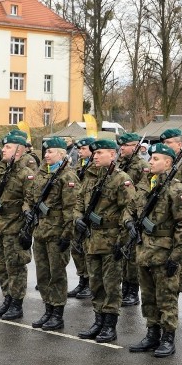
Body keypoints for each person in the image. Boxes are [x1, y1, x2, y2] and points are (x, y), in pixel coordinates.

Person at [128, 143, 182, 357]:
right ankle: (152, 333)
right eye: (151, 158)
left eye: (156, 159)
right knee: (148, 296)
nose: (151, 161)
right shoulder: (145, 185)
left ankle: (168, 337)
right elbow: (130, 208)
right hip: (144, 250)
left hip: (164, 252)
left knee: (166, 297)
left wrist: (176, 256)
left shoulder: (176, 189)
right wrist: (129, 222)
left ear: (168, 162)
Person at [75, 139, 136, 344]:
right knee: (96, 283)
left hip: (111, 241)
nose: (95, 156)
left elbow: (130, 209)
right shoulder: (90, 177)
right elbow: (78, 201)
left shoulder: (121, 179)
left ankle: (110, 325)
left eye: (100, 153)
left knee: (111, 285)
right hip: (92, 239)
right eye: (94, 153)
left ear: (113, 154)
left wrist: (123, 242)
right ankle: (98, 320)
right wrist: (77, 218)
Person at [28, 137, 79, 331]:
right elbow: (31, 197)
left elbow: (71, 209)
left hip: (57, 233)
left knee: (56, 274)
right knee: (43, 273)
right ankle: (48, 309)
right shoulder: (42, 173)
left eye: (50, 152)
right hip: (40, 231)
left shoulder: (68, 176)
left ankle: (57, 314)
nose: (46, 155)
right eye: (45, 152)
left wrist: (67, 235)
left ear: (61, 154)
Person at [0, 134, 35, 320]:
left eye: (8, 147)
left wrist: (26, 224)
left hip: (15, 226)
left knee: (16, 266)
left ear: (19, 151)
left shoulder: (26, 173)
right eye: (3, 147)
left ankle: (17, 303)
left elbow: (30, 199)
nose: (3, 150)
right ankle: (7, 298)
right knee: (1, 265)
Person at [117, 132, 151, 307]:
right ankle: (124, 288)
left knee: (131, 255)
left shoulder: (143, 166)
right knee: (122, 252)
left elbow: (142, 192)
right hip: (119, 214)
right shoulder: (119, 164)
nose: (121, 148)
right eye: (120, 145)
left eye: (125, 145)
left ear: (135, 146)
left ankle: (132, 290)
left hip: (133, 213)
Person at [67, 136, 95, 300]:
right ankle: (82, 280)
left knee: (87, 251)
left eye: (83, 149)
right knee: (76, 249)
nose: (79, 151)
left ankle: (90, 283)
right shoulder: (80, 165)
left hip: (88, 215)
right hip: (76, 213)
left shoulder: (95, 167)